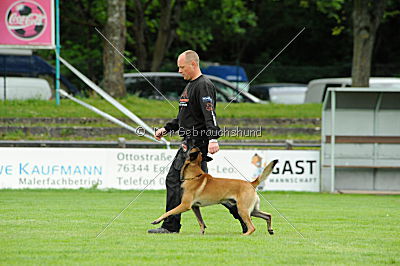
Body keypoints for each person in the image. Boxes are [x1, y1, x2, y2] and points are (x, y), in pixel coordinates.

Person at [148, 50, 247, 234]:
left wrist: (213, 138)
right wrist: (167, 129)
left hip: (196, 144)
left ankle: (171, 226)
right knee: (214, 190)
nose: (179, 71)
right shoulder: (190, 86)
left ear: (193, 65)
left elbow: (210, 115)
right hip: (189, 142)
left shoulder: (204, 86)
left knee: (173, 180)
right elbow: (183, 117)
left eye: (182, 67)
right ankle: (244, 220)